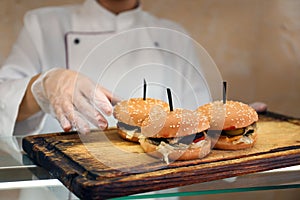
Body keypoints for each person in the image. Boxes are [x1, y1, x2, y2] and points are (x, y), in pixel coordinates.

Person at [0, 0, 266, 137]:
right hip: (59, 191)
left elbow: (197, 127)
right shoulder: (42, 25)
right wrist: (44, 85)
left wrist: (228, 127)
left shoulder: (174, 36)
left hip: (152, 192)